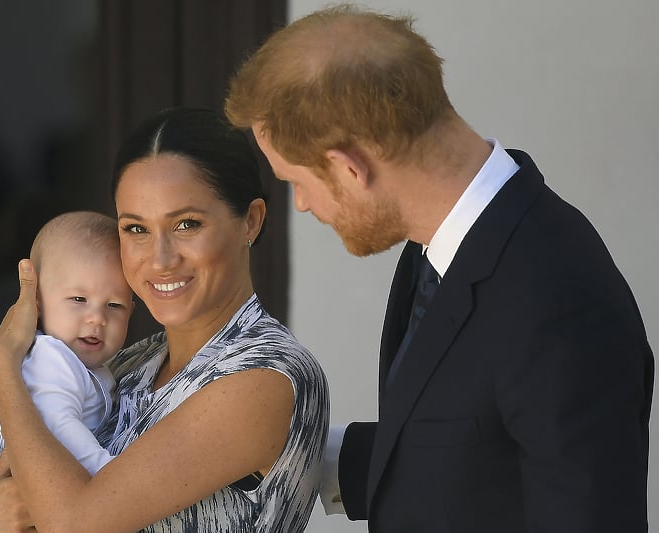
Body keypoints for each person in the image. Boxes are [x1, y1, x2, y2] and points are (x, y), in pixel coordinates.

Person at [224, 4, 653, 532]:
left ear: (350, 167)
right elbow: (467, 448)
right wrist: (280, 446)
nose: (304, 204)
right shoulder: (444, 244)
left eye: (296, 181)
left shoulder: (558, 301)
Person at [0, 106, 330, 532]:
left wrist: (3, 368)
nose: (160, 260)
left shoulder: (265, 375)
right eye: (136, 229)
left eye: (187, 224)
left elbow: (74, 523)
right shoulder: (129, 365)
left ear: (250, 222)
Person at [0, 210, 134, 504]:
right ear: (37, 303)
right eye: (79, 299)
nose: (97, 318)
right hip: (3, 478)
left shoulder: (91, 366)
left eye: (114, 306)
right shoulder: (52, 358)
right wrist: (108, 474)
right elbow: (59, 425)